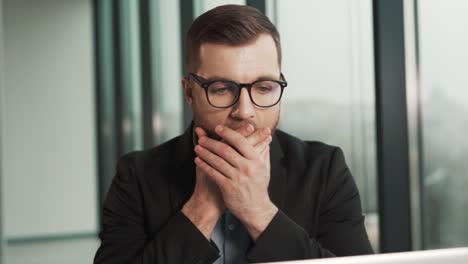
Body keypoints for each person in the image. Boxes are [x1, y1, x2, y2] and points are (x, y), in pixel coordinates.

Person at [94, 4, 373, 264]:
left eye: (263, 88)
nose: (245, 111)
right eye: (222, 89)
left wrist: (258, 211)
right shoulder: (137, 176)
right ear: (189, 92)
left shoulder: (325, 169)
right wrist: (202, 206)